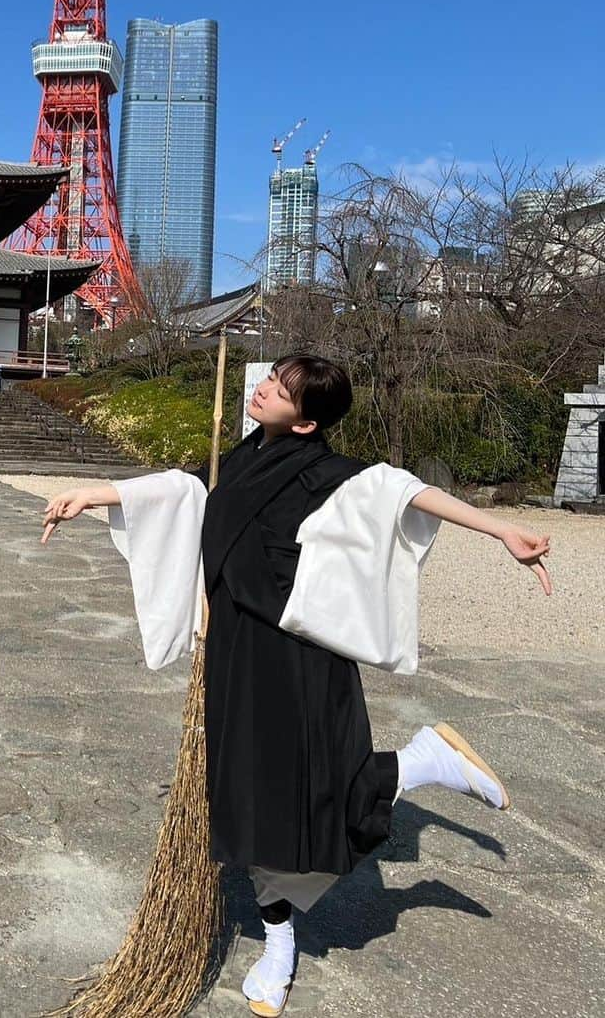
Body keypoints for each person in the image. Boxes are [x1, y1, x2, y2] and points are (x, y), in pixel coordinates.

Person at [40, 354, 552, 1018]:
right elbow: (188, 489)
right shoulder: (247, 455)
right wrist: (96, 494)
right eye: (268, 380)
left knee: (314, 792)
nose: (262, 391)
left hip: (297, 650)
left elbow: (403, 492)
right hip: (236, 651)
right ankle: (279, 944)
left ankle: (417, 764)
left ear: (308, 422)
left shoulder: (325, 472)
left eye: (279, 391)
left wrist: (500, 529)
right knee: (250, 805)